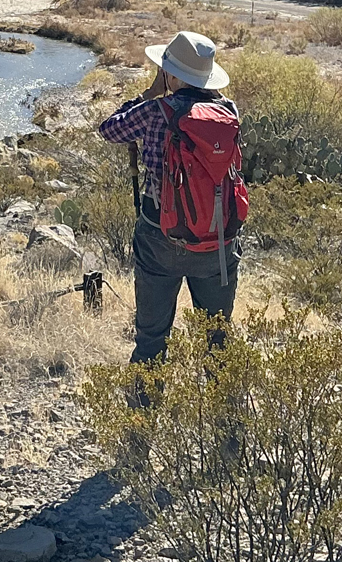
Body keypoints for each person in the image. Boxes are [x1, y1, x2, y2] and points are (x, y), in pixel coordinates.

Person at [97, 29, 243, 366]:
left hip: (159, 236)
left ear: (168, 73)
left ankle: (143, 413)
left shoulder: (155, 111)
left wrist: (148, 95)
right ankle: (225, 416)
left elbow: (108, 129)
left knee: (151, 341)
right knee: (218, 341)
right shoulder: (229, 111)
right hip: (217, 238)